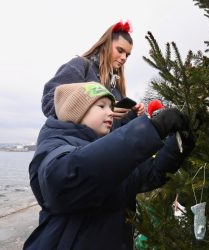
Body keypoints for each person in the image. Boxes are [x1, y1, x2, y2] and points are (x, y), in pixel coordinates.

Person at [24, 82, 195, 249]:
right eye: (102, 106)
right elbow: (66, 178)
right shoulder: (54, 145)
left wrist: (180, 143)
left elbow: (151, 174)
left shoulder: (111, 153)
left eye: (111, 107)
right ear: (76, 112)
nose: (111, 113)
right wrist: (152, 129)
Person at [41, 20, 145, 129]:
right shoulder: (80, 65)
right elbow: (49, 102)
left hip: (102, 145)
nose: (124, 57)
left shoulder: (116, 88)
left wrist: (133, 114)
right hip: (74, 142)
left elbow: (116, 131)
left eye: (127, 55)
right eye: (120, 50)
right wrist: (101, 109)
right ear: (105, 45)